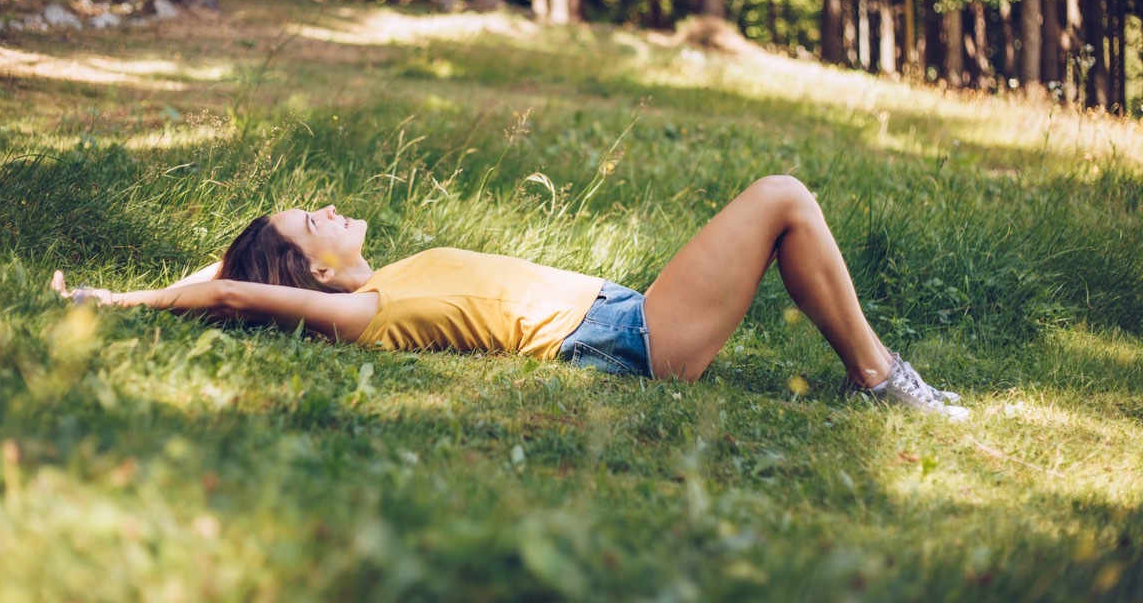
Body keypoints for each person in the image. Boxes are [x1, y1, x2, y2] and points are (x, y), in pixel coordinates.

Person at [52, 175, 969, 419]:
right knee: (781, 197)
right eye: (311, 222)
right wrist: (126, 303)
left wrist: (178, 280)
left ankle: (875, 374)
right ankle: (881, 379)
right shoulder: (365, 313)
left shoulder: (385, 280)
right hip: (632, 339)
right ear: (318, 276)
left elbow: (229, 276)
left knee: (785, 208)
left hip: (629, 313)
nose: (328, 209)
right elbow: (237, 295)